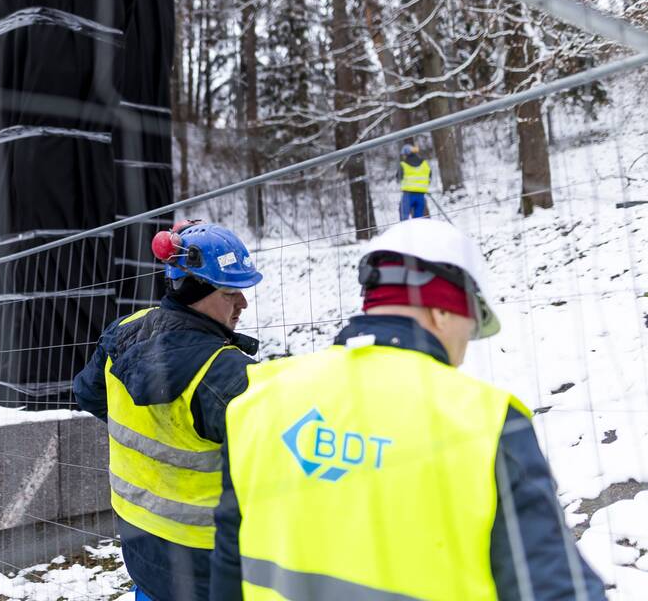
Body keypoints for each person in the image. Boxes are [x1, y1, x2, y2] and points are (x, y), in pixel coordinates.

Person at [210, 218, 605, 601]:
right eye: (471, 327)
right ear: (444, 311)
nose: (465, 351)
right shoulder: (483, 422)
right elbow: (554, 587)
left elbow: (229, 562)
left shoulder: (261, 398)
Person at [73, 220, 264, 601]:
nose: (242, 303)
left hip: (139, 535)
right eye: (231, 293)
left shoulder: (125, 330)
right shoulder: (227, 375)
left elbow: (89, 394)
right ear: (196, 290)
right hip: (206, 557)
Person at [398, 143, 431, 220]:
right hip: (421, 195)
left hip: (408, 194)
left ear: (406, 154)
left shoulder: (403, 165)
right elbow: (429, 175)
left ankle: (405, 231)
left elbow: (398, 177)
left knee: (404, 216)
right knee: (418, 219)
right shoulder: (424, 164)